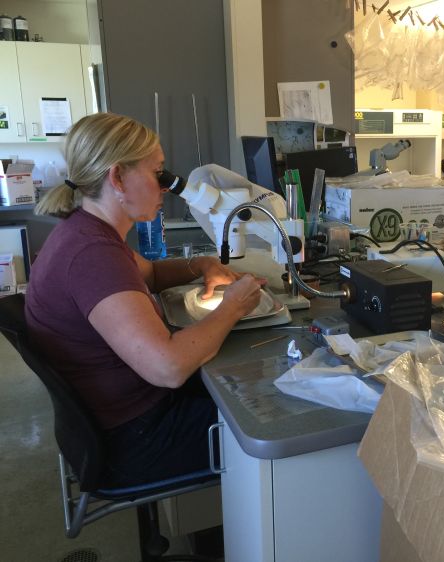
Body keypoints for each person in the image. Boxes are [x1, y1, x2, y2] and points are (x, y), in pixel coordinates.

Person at [26, 112, 265, 487]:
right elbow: (167, 368)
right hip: (135, 441)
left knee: (241, 382)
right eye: (159, 174)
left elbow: (149, 274)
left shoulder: (86, 231)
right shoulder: (91, 255)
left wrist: (200, 264)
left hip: (121, 418)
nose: (167, 187)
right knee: (266, 415)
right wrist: (233, 306)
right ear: (117, 177)